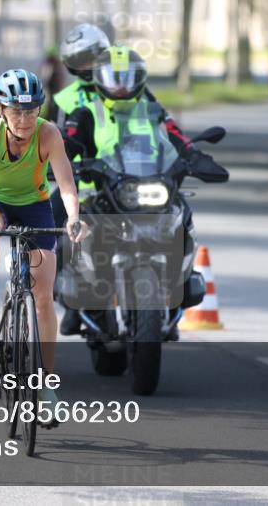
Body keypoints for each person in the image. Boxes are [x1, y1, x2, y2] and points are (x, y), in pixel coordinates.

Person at [53, 44, 213, 336]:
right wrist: (62, 161)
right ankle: (74, 299)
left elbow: (176, 137)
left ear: (138, 78)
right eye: (114, 79)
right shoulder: (85, 112)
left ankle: (181, 284)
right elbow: (69, 143)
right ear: (100, 79)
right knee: (67, 231)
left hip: (147, 186)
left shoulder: (153, 109)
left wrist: (195, 158)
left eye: (126, 78)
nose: (121, 86)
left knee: (182, 213)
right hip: (98, 192)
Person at [0, 69, 87, 411]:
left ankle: (46, 386)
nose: (25, 118)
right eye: (17, 111)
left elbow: (65, 186)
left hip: (35, 206)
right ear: (1, 110)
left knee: (44, 296)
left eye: (31, 110)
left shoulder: (48, 134)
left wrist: (74, 216)